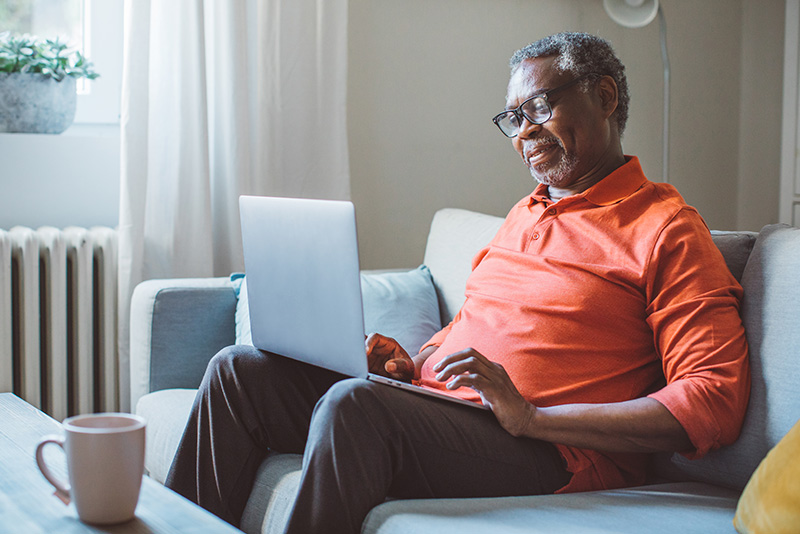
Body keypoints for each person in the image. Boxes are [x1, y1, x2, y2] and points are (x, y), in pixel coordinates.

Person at [165, 32, 750, 533]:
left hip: (548, 448)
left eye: (539, 108)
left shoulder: (666, 228)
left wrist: (531, 417)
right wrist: (413, 363)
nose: (523, 134)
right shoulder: (524, 214)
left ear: (604, 96)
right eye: (513, 119)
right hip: (450, 412)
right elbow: (480, 325)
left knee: (355, 407)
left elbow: (713, 400)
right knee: (238, 372)